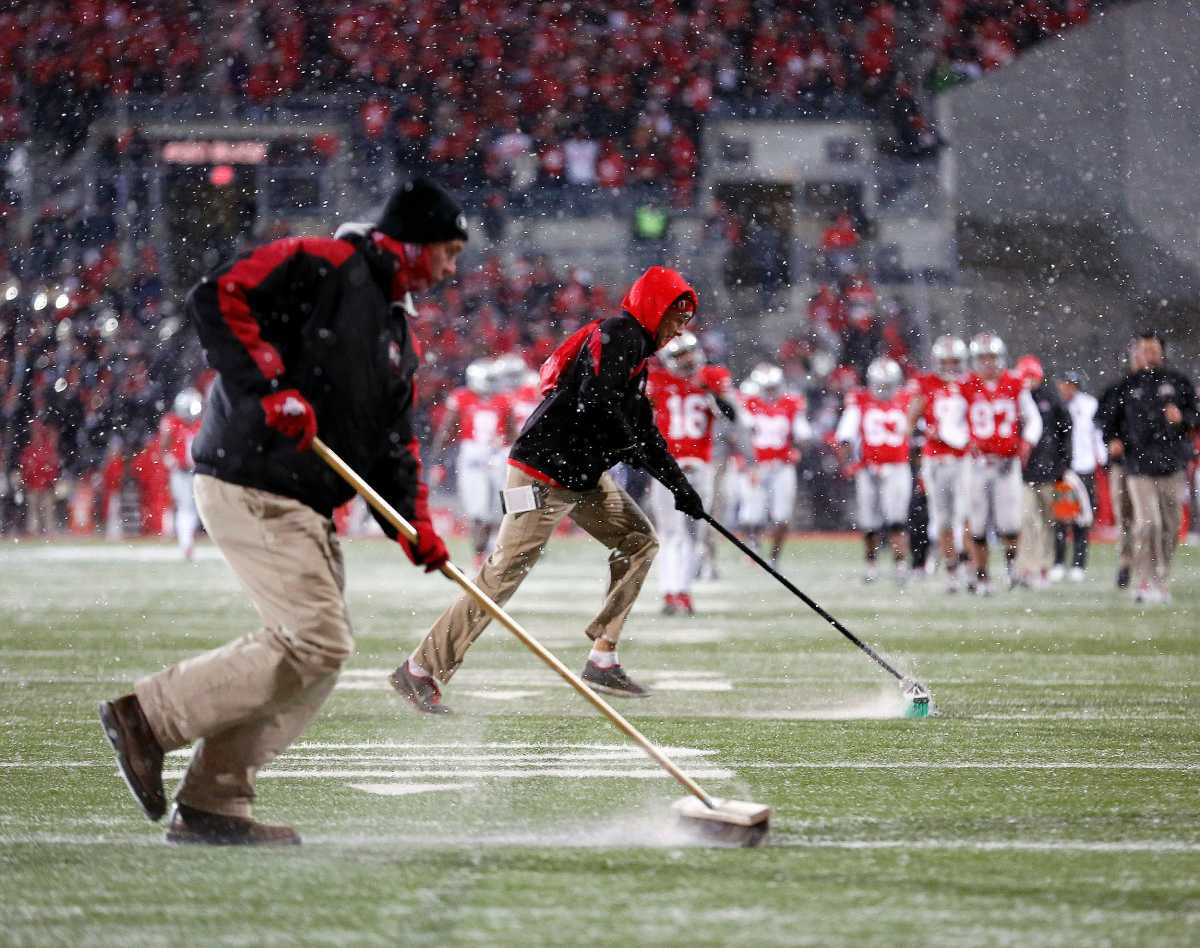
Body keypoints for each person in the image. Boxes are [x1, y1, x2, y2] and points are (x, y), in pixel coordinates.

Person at [98, 178, 467, 845]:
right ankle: (147, 718)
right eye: (446, 250)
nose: (451, 267)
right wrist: (271, 387)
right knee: (317, 641)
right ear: (409, 243)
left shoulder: (395, 332)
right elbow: (217, 297)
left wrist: (414, 525)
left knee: (318, 657)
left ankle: (215, 802)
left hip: (304, 499)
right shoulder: (319, 262)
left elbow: (394, 441)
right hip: (252, 476)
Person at [391, 266, 705, 711]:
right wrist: (634, 446)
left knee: (639, 541)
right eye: (676, 316)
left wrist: (679, 487)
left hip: (578, 474)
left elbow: (641, 431)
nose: (679, 329)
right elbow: (596, 402)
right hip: (540, 472)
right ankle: (419, 669)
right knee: (501, 574)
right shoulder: (620, 335)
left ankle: (603, 656)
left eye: (685, 321)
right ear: (655, 306)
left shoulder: (636, 354)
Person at [1100, 332, 1199, 604]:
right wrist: (1112, 441)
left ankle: (1162, 576)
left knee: (1170, 525)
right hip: (1138, 466)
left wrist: (1183, 418)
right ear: (1135, 354)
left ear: (1162, 353)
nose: (1149, 355)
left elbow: (1194, 415)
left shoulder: (1178, 382)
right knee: (1147, 524)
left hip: (1171, 464)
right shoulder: (1125, 386)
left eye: (1153, 350)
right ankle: (1145, 580)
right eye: (1144, 350)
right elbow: (1108, 421)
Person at [646, 331, 738, 615]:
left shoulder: (711, 377)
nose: (687, 360)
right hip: (668, 466)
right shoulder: (657, 382)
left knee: (695, 535)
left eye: (689, 353)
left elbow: (732, 415)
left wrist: (710, 392)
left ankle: (682, 591)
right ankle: (670, 593)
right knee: (671, 532)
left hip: (700, 465)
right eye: (680, 355)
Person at [962, 333, 1042, 594]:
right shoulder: (966, 385)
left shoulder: (1014, 383)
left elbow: (1033, 419)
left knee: (1010, 523)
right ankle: (982, 575)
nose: (987, 362)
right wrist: (965, 440)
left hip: (1007, 463)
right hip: (977, 464)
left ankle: (1012, 570)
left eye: (991, 357)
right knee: (978, 524)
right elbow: (952, 420)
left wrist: (1027, 442)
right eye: (982, 357)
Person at [836, 357, 914, 584]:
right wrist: (848, 462)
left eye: (888, 385)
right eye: (880, 384)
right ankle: (871, 565)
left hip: (897, 466)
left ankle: (900, 564)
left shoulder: (907, 399)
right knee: (869, 522)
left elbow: (917, 432)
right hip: (868, 468)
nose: (884, 390)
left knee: (897, 519)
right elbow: (846, 436)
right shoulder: (860, 401)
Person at [431, 359, 511, 567]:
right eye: (490, 379)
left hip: (499, 455)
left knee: (500, 507)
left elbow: (512, 433)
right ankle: (479, 554)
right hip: (473, 457)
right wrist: (437, 461)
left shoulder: (503, 399)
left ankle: (495, 548)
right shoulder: (462, 398)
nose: (493, 383)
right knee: (478, 510)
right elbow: (447, 431)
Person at [908, 334, 971, 592]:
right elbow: (911, 417)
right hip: (935, 459)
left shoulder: (970, 384)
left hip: (963, 459)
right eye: (945, 361)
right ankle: (952, 569)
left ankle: (970, 568)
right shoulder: (926, 384)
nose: (949, 366)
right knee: (942, 519)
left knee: (965, 517)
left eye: (954, 361)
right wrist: (918, 434)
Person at [738, 363, 811, 566]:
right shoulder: (748, 403)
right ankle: (753, 549)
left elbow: (803, 434)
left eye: (773, 387)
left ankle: (773, 557)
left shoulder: (791, 404)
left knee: (782, 515)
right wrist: (746, 461)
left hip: (782, 465)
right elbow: (740, 434)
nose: (770, 392)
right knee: (752, 514)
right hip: (757, 466)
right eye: (767, 388)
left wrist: (797, 447)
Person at [1013, 356, 1072, 587]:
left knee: (1050, 521)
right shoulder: (1017, 399)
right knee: (1027, 519)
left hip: (1049, 470)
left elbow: (1065, 432)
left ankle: (1045, 566)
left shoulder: (1051, 398)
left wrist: (1064, 464)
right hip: (1025, 472)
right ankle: (1028, 565)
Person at [1053, 370, 1106, 581]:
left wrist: (1102, 458)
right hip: (1065, 468)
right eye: (1064, 384)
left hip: (1084, 466)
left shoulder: (1089, 404)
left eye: (1070, 384)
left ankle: (1078, 563)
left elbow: (1097, 433)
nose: (1066, 388)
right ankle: (1058, 562)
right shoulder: (1057, 406)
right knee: (1062, 516)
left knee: (1082, 518)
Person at [1097, 344, 1142, 589]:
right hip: (1125, 463)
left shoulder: (1167, 386)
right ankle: (1126, 562)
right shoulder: (1118, 389)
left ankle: (1147, 564)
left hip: (1153, 465)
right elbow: (1103, 420)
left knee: (1151, 520)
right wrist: (1111, 439)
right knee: (1126, 516)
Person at [160, 388, 204, 560]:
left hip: (197, 470)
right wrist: (171, 461)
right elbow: (164, 446)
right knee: (186, 506)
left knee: (195, 507)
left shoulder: (200, 423)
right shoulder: (172, 422)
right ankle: (186, 543)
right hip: (180, 471)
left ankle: (188, 541)